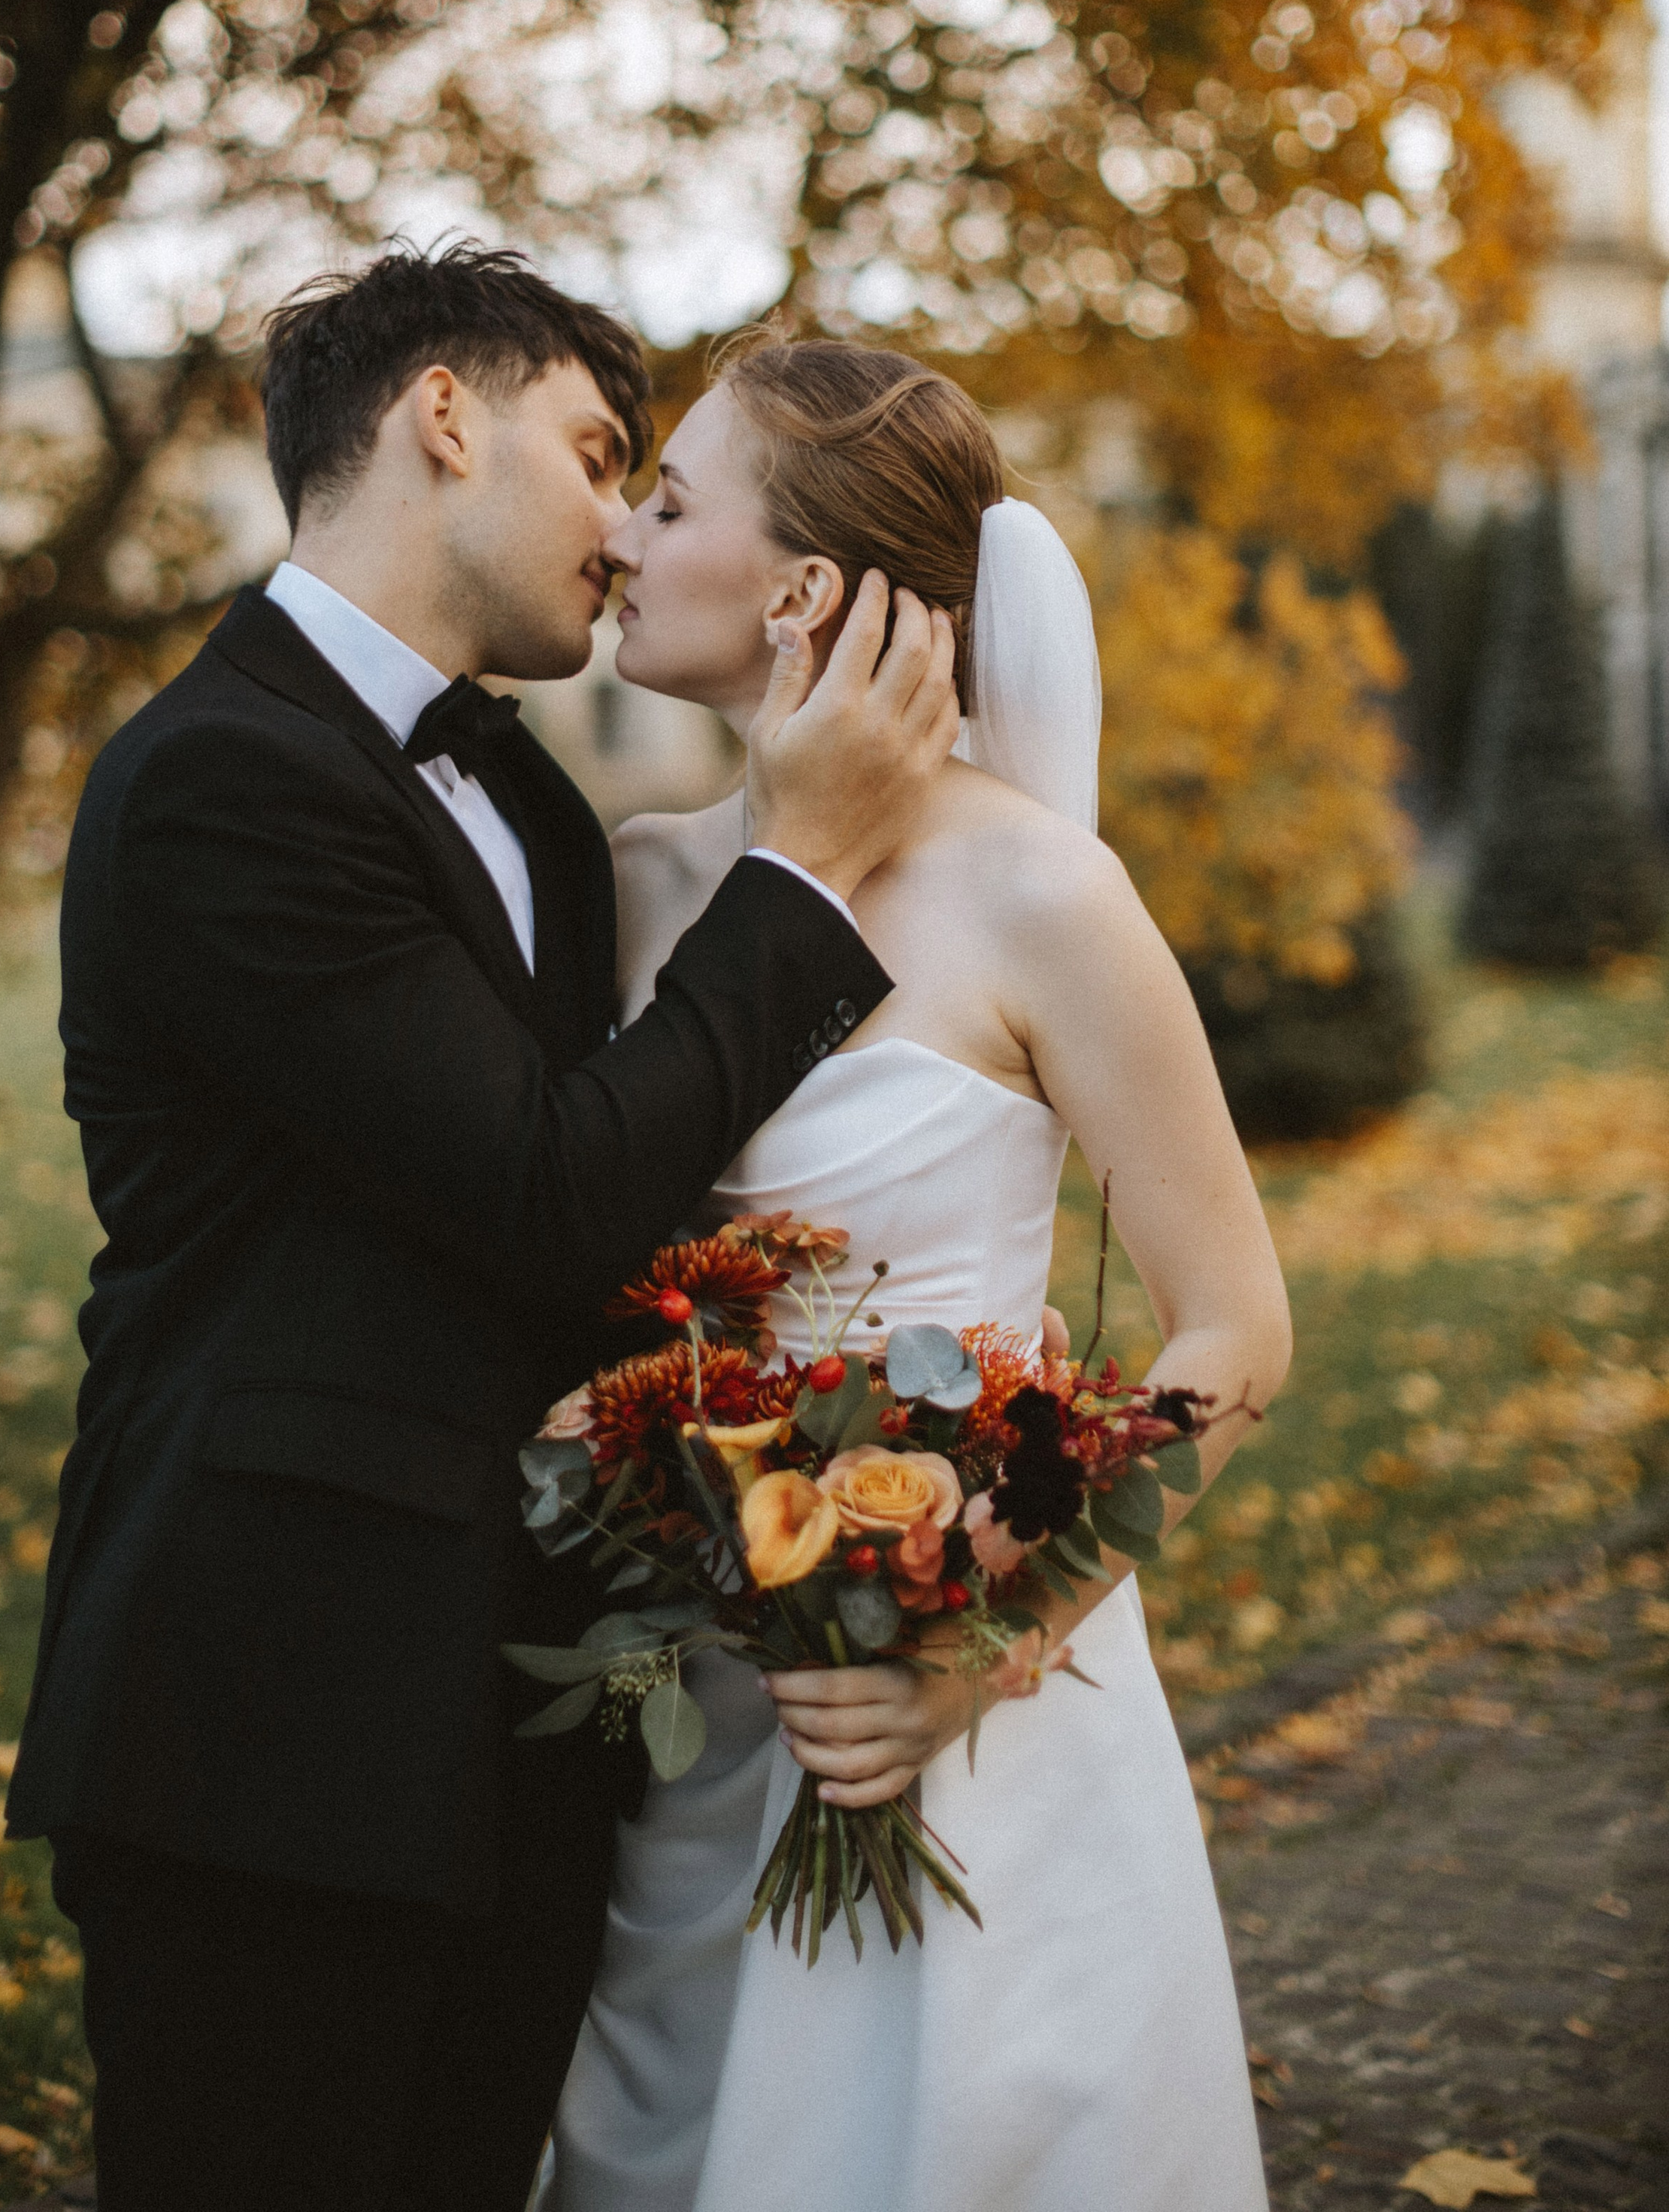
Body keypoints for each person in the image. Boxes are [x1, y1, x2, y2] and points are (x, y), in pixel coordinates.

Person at [5, 244, 962, 2212]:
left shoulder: (525, 806)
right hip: (268, 1721)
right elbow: (542, 1192)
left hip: (531, 1729)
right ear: (447, 414)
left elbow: (632, 1231)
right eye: (603, 455)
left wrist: (834, 1521)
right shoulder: (217, 780)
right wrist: (810, 865)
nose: (625, 534)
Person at [546, 335, 1292, 2212]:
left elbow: (1234, 1331)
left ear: (799, 588)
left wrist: (976, 1642)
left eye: (664, 498)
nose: (620, 538)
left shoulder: (1040, 895)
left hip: (972, 1724)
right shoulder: (634, 885)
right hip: (707, 1710)